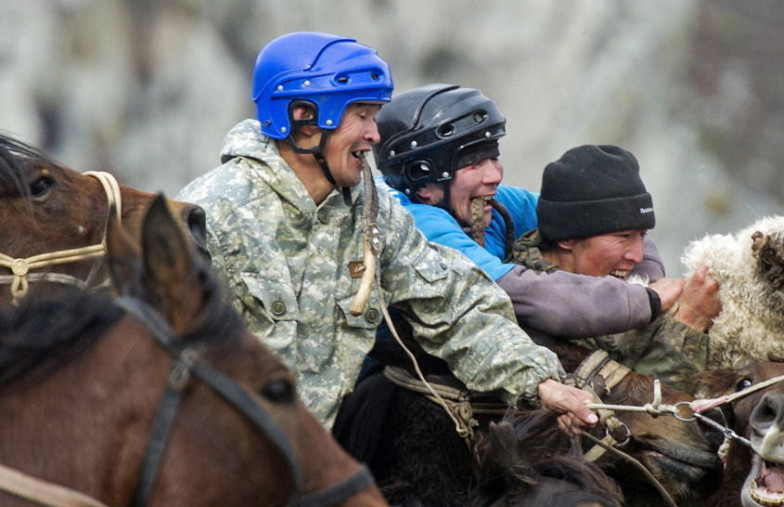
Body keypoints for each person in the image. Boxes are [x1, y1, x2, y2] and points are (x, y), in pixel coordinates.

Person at [174, 31, 597, 432]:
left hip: (328, 472)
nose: (374, 136)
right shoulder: (212, 211)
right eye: (361, 116)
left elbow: (453, 304)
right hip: (227, 472)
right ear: (304, 119)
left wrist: (542, 384)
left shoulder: (374, 210)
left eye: (374, 116)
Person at [373, 84, 719, 380]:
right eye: (473, 163)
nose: (495, 174)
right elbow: (534, 297)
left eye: (494, 157)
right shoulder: (415, 224)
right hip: (383, 393)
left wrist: (637, 273)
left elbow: (596, 216)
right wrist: (651, 299)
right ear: (423, 178)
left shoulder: (486, 203)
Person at [510, 143, 721, 386]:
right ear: (567, 237)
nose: (638, 256)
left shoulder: (621, 292)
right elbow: (636, 415)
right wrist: (688, 323)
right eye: (623, 237)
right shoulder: (527, 323)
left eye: (642, 235)